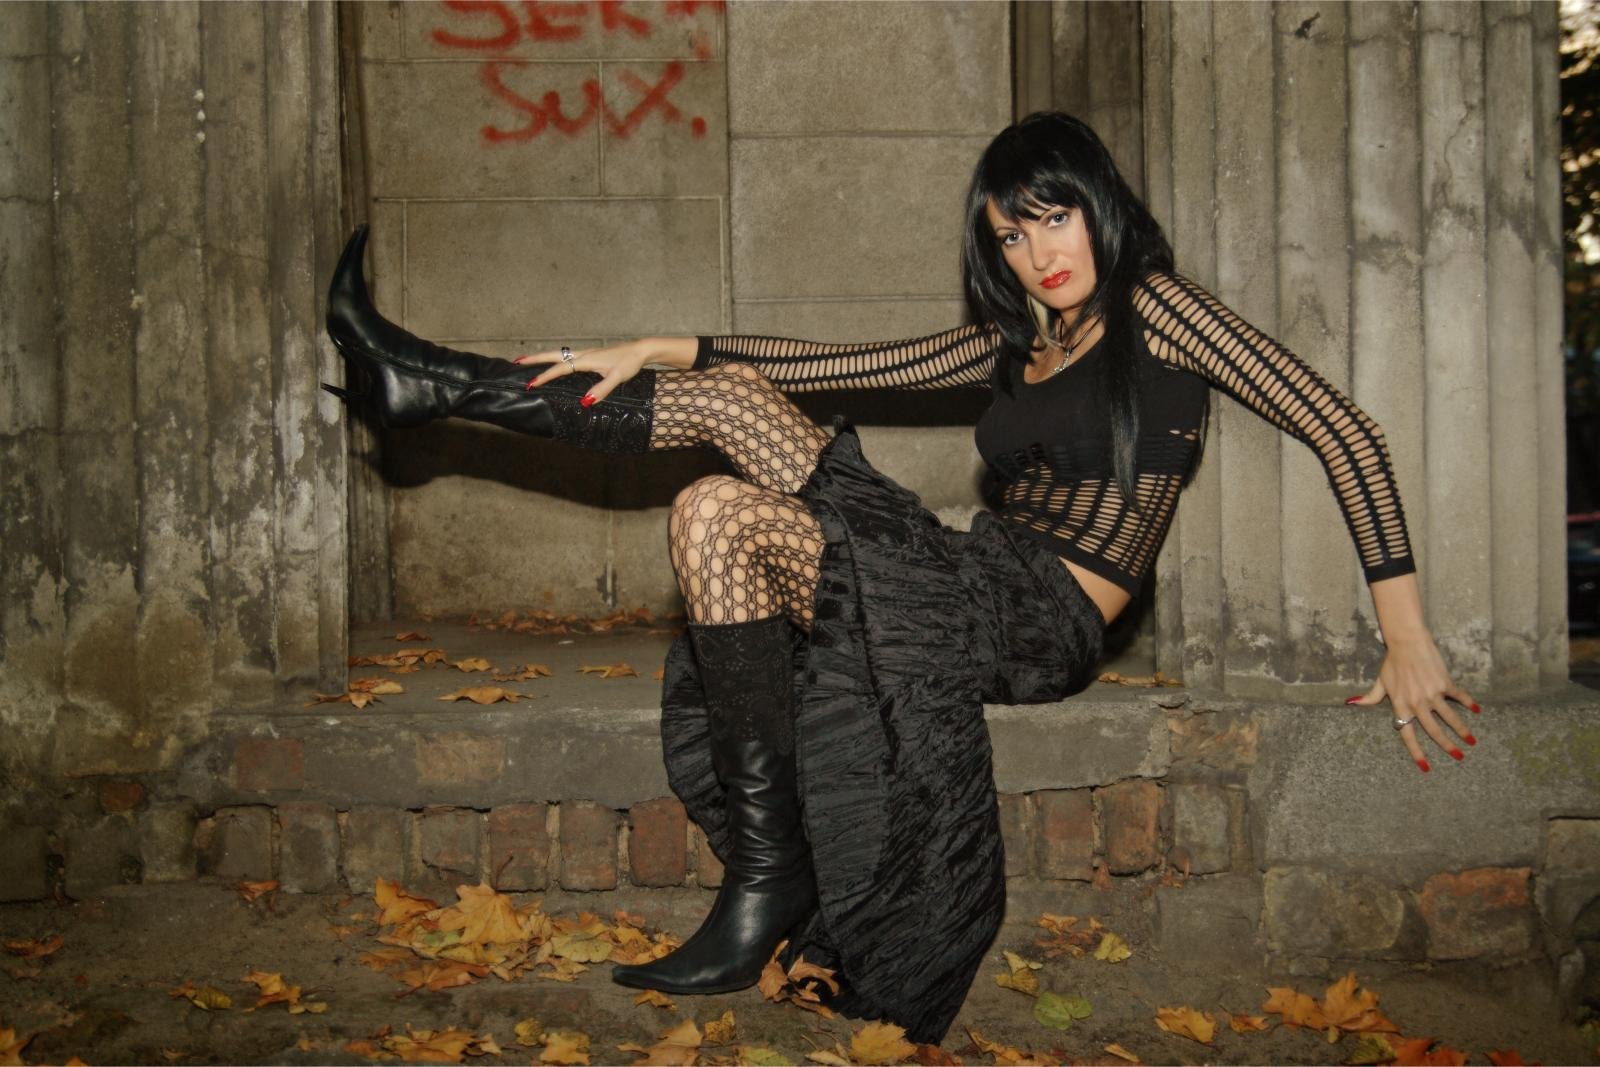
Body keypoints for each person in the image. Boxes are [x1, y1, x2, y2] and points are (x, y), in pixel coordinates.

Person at [323, 111, 1478, 1044]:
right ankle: (763, 888)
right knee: (711, 506)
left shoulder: (1159, 312)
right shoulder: (1013, 339)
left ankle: (438, 384)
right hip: (968, 570)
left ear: (1099, 205)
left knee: (726, 458)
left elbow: (1344, 430)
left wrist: (1405, 631)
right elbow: (838, 363)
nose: (1040, 251)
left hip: (1047, 615)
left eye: (1054, 217)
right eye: (1013, 237)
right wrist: (656, 345)